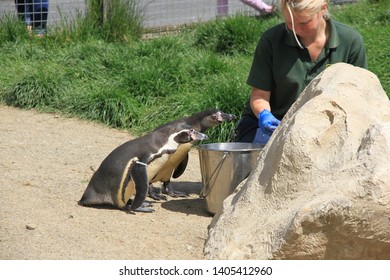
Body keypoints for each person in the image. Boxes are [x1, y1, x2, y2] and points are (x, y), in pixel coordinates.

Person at [234, 0, 367, 144]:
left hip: (327, 126)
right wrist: (264, 115)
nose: (296, 30)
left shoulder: (350, 42)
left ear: (323, 9)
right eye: (289, 22)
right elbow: (259, 96)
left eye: (304, 23)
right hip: (275, 125)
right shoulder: (271, 41)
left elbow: (359, 97)